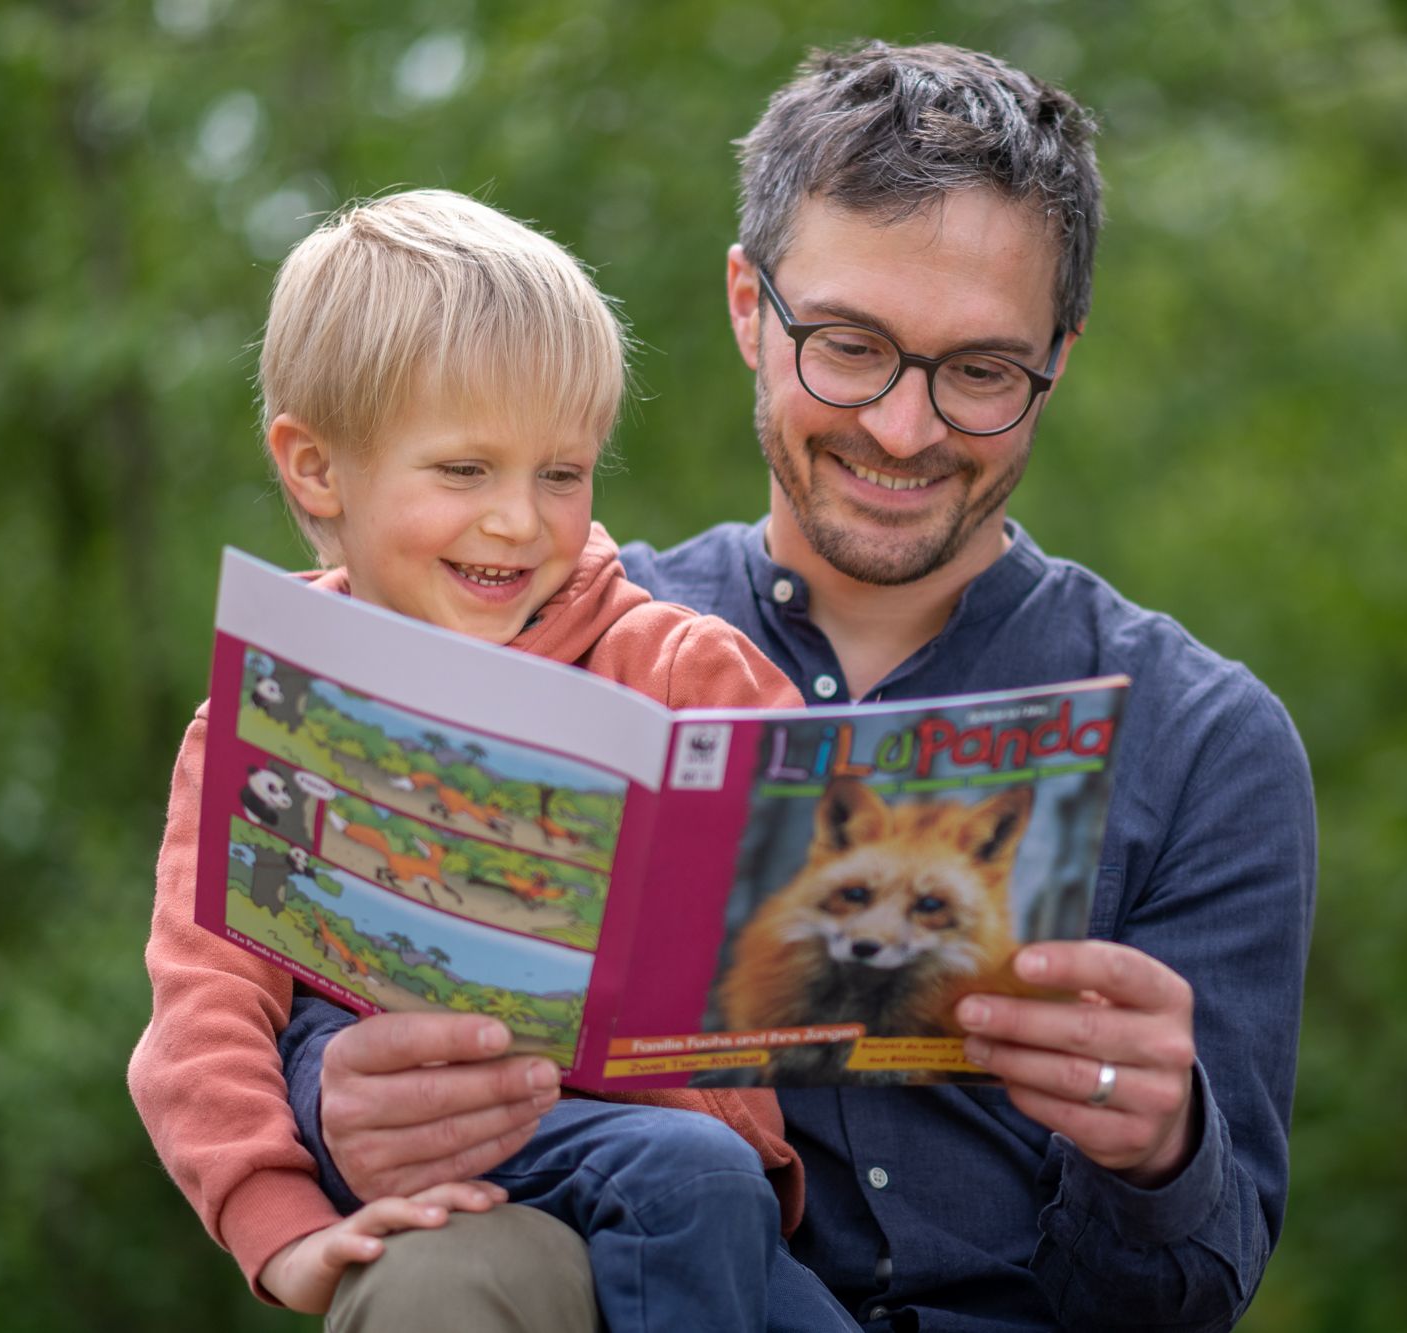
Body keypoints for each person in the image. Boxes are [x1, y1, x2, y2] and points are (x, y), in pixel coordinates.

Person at [280, 42, 1317, 1332]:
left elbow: (1187, 1297)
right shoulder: (522, 632)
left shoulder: (1203, 743)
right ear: (744, 307)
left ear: (1060, 355)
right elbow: (286, 994)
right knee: (439, 1272)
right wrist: (337, 1094)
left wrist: (1158, 1149)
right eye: (848, 344)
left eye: (980, 371)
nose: (901, 426)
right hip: (617, 1282)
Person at [126, 188, 861, 1332]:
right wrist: (281, 1229)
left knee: (748, 1235)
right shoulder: (264, 717)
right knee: (690, 1179)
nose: (519, 520)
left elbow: (823, 902)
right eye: (465, 471)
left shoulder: (678, 666)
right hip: (447, 1128)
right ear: (318, 472)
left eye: (560, 473)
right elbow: (202, 1008)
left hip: (680, 1146)